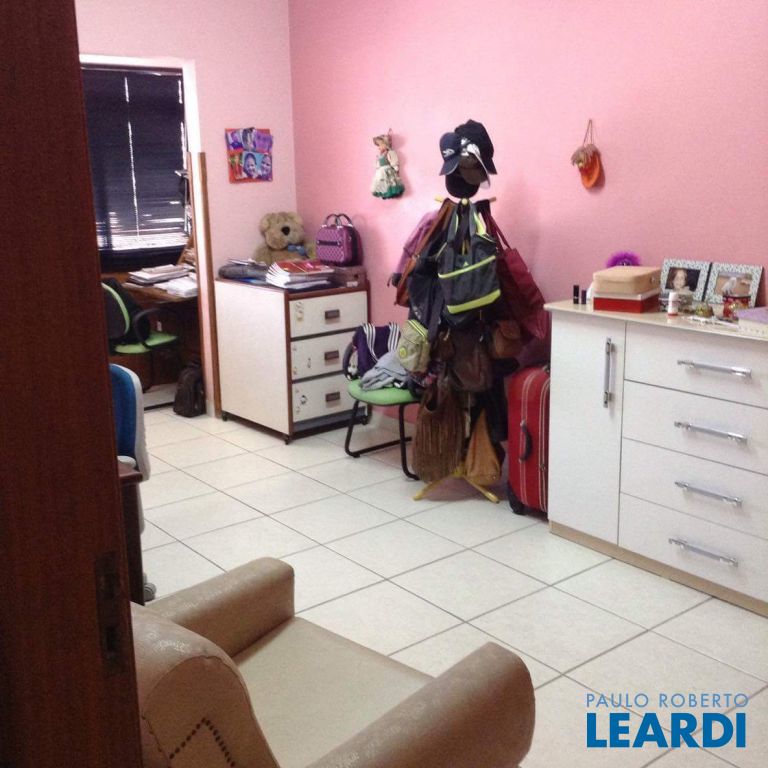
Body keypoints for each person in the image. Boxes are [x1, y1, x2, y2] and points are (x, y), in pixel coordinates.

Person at [371, 133, 404, 199]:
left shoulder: (389, 152)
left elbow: (394, 162)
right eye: (378, 146)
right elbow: (378, 164)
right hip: (380, 172)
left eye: (379, 145)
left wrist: (396, 169)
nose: (378, 148)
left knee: (389, 183)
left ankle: (391, 192)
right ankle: (384, 193)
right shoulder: (380, 155)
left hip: (387, 171)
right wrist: (378, 169)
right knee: (382, 184)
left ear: (385, 144)